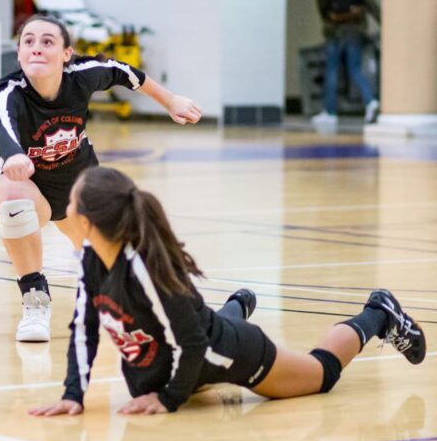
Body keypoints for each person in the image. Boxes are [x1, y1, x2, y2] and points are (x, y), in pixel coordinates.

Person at [29, 166, 426, 416]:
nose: (67, 207)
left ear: (89, 219)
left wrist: (168, 400)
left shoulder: (144, 269)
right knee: (198, 325)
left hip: (228, 354)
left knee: (321, 375)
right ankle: (236, 306)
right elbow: (85, 330)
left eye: (72, 201)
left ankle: (380, 314)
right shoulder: (89, 259)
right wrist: (72, 395)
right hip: (187, 354)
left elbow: (193, 344)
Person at [0, 14, 202, 343]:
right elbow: (1, 128)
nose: (37, 48)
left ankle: (99, 282)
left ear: (67, 54)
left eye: (47, 41)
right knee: (16, 204)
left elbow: (127, 73)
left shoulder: (82, 75)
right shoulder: (8, 92)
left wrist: (170, 100)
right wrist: (14, 155)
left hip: (77, 189)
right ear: (19, 54)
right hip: (26, 187)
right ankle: (35, 302)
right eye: (28, 42)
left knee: (114, 261)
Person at [313, 0, 380, 126]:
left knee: (332, 70)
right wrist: (382, 21)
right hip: (355, 29)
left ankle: (330, 111)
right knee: (355, 68)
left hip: (335, 32)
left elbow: (323, 10)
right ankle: (370, 102)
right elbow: (369, 0)